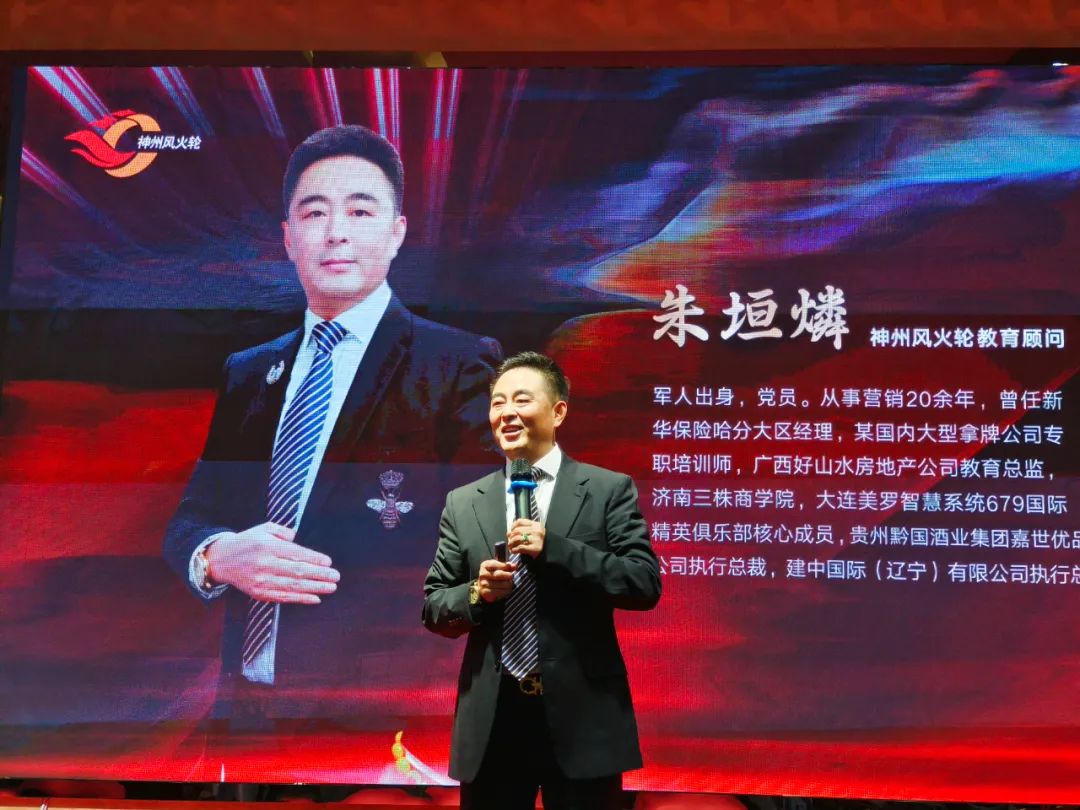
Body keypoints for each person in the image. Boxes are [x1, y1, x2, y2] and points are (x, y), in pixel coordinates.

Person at [162, 124, 501, 722]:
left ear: (396, 232)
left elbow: (490, 543)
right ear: (289, 238)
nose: (336, 232)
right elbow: (192, 517)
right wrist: (219, 556)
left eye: (360, 211)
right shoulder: (249, 371)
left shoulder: (458, 363)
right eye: (314, 213)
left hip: (380, 713)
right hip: (243, 709)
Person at [423, 351, 661, 809]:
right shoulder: (463, 502)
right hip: (493, 722)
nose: (506, 413)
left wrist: (556, 548)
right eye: (497, 402)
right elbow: (434, 605)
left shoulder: (607, 489)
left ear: (558, 411)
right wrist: (478, 592)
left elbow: (642, 583)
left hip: (584, 719)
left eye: (521, 400)